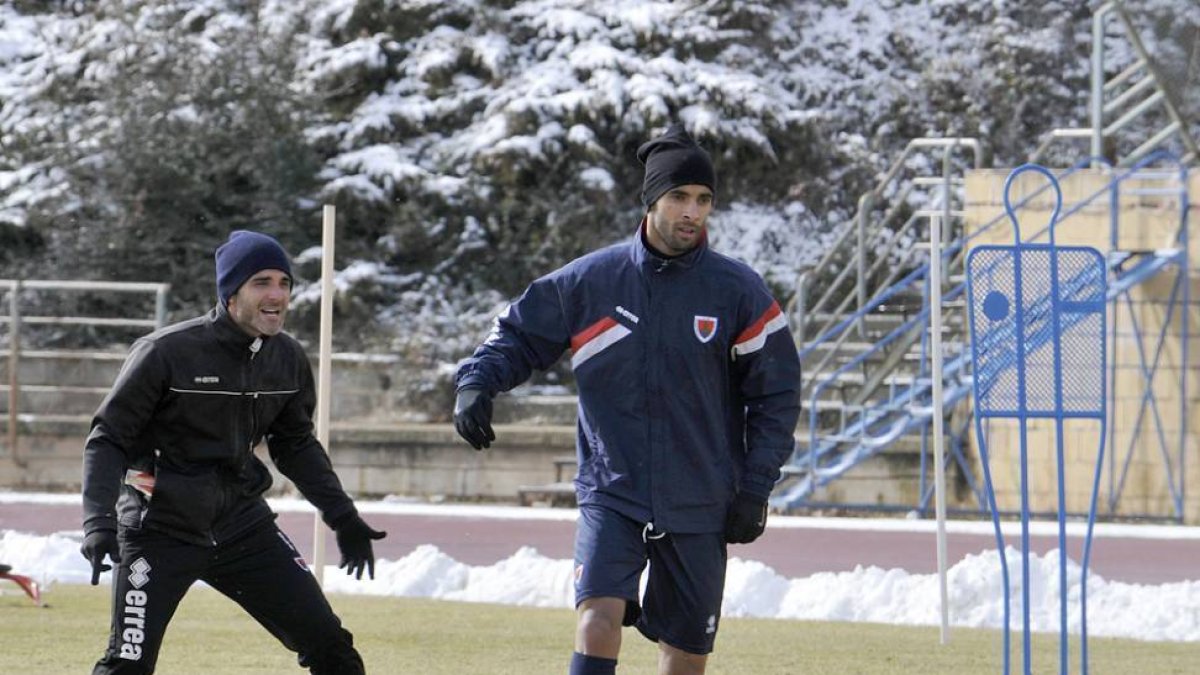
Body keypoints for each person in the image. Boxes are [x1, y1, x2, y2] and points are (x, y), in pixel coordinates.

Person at [453, 124, 802, 675]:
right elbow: (517, 334)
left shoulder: (738, 291)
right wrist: (477, 382)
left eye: (703, 199)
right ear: (651, 199)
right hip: (612, 489)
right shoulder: (592, 281)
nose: (692, 212)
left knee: (685, 655)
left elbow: (777, 394)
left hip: (701, 498)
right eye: (679, 197)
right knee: (597, 619)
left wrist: (755, 486)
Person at [81, 230, 387, 674]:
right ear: (230, 293)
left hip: (243, 527)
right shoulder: (164, 353)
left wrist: (343, 517)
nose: (277, 295)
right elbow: (107, 438)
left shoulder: (287, 358)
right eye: (261, 282)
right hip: (159, 529)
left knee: (332, 649)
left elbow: (295, 445)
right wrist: (98, 522)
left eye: (284, 283)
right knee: (126, 666)